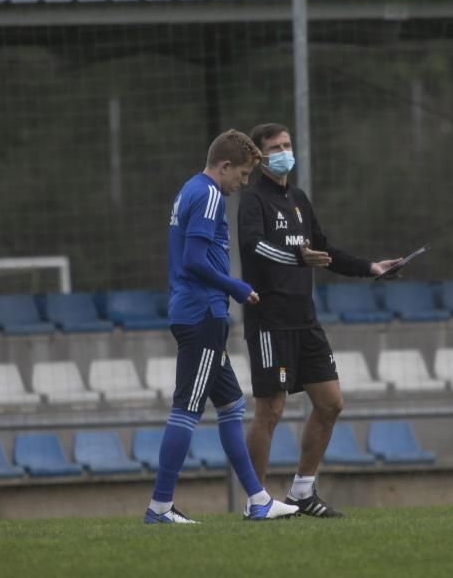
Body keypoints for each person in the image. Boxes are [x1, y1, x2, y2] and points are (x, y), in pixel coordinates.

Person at [238, 122, 401, 518]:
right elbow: (254, 248)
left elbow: (323, 250)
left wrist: (371, 267)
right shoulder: (253, 200)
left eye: (287, 144)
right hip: (269, 320)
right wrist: (297, 257)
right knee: (270, 411)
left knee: (330, 403)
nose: (284, 151)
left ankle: (302, 492)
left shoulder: (299, 198)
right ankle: (256, 501)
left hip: (304, 318)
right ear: (259, 157)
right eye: (275, 147)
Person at [145, 129, 300, 524]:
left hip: (197, 311)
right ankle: (160, 507)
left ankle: (258, 499)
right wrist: (236, 286)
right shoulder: (210, 194)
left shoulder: (188, 189)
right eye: (243, 175)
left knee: (231, 406)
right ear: (225, 166)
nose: (243, 183)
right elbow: (194, 260)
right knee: (186, 409)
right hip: (202, 314)